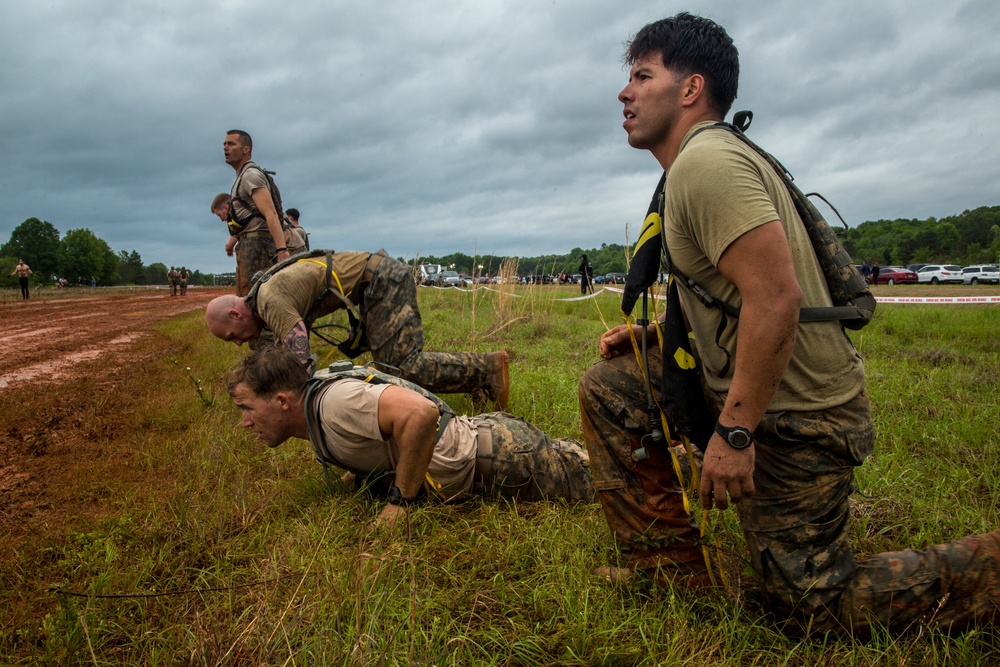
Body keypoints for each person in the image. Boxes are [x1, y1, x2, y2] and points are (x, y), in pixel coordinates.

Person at [578, 12, 999, 638]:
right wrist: (654, 339)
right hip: (766, 399)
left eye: (642, 75)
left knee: (811, 607)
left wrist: (737, 436)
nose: (624, 91)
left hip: (800, 420)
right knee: (612, 386)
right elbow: (734, 294)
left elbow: (775, 298)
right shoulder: (702, 162)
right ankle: (668, 572)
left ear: (691, 89)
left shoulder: (705, 166)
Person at [228, 346, 595, 529]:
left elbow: (422, 414)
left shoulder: (333, 405)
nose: (245, 423)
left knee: (615, 480)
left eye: (247, 408)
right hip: (489, 448)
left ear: (281, 401)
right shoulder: (314, 411)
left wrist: (399, 504)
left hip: (504, 459)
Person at [205, 250, 510, 408]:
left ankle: (488, 368)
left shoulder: (268, 299)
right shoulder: (263, 299)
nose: (235, 343)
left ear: (235, 313)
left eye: (231, 335)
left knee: (402, 367)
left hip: (382, 280)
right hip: (372, 286)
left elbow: (299, 350)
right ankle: (477, 383)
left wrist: (304, 399)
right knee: (388, 368)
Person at [216, 130, 291, 297]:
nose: (225, 148)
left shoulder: (250, 175)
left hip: (258, 248)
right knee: (247, 300)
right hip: (250, 246)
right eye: (224, 144)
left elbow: (270, 212)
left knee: (257, 302)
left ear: (246, 149)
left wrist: (282, 251)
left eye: (231, 144)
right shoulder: (242, 175)